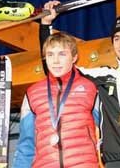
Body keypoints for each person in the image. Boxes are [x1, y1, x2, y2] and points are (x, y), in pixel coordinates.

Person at [39, 0, 120, 168]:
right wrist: (46, 24)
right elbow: (57, 68)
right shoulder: (102, 75)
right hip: (113, 164)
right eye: (117, 38)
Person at [12, 32, 99, 167]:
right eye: (50, 54)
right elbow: (26, 144)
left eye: (62, 54)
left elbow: (105, 135)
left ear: (74, 57)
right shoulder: (32, 93)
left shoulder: (90, 89)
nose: (55, 61)